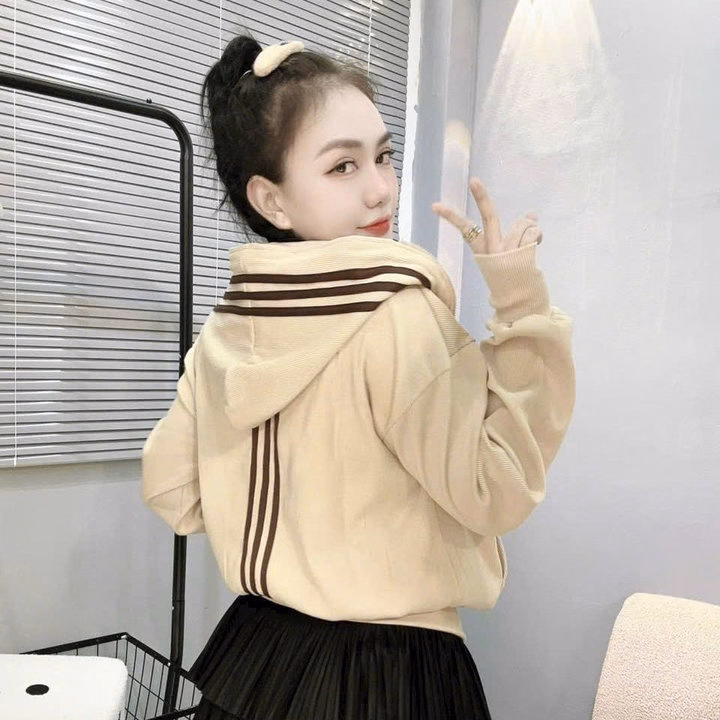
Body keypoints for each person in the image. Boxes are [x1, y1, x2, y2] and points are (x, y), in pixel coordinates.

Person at [141, 32, 576, 720]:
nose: (379, 188)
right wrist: (521, 305)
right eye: (342, 166)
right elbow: (495, 491)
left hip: (259, 659)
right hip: (391, 674)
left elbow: (172, 490)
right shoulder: (398, 318)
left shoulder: (229, 329)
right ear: (272, 201)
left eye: (383, 155)